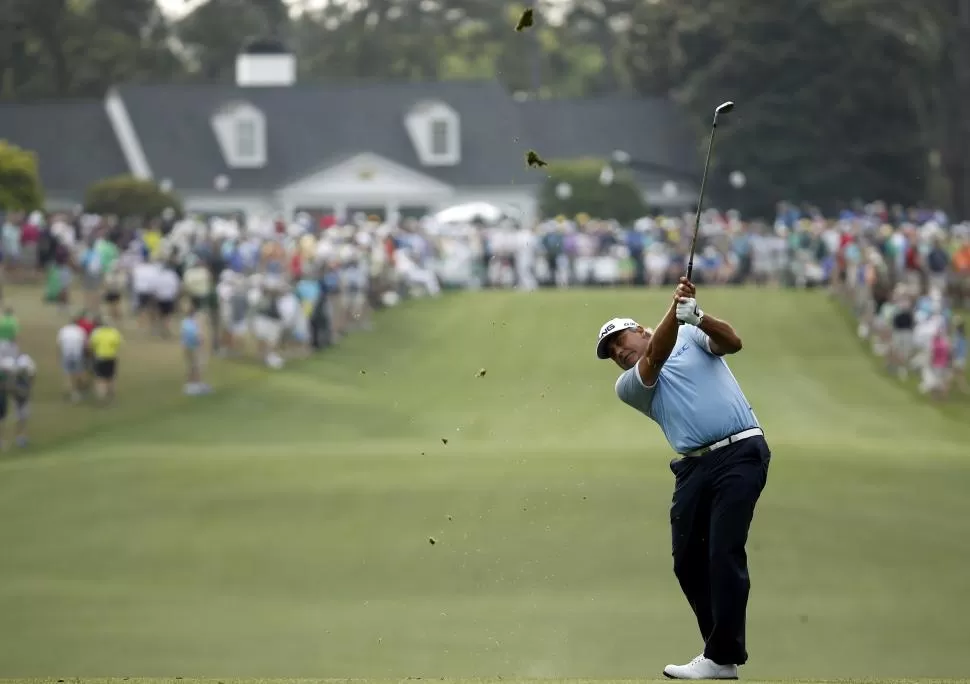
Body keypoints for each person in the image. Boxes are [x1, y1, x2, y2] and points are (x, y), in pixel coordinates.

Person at [596, 277, 770, 680]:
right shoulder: (629, 384)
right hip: (693, 466)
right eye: (613, 352)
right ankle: (720, 658)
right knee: (687, 561)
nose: (620, 352)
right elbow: (655, 356)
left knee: (723, 551)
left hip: (741, 451)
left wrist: (699, 317)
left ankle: (720, 654)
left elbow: (734, 343)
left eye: (622, 340)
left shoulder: (690, 334)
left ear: (640, 329)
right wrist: (677, 309)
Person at [87, 317, 123, 403]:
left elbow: (91, 345)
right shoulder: (114, 333)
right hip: (111, 357)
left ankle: (101, 398)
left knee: (100, 379)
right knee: (110, 377)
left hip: (100, 358)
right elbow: (117, 344)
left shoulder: (96, 333)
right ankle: (111, 397)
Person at [180, 302, 211, 395]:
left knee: (191, 366)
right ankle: (196, 385)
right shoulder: (195, 322)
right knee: (197, 366)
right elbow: (199, 336)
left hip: (187, 346)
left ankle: (191, 384)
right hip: (194, 346)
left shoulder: (185, 322)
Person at [56, 316, 87, 402]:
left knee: (68, 374)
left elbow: (59, 343)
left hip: (66, 354)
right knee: (78, 372)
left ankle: (70, 391)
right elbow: (85, 343)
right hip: (77, 354)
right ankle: (77, 391)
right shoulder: (80, 330)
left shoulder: (63, 330)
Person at [11, 353, 35, 447]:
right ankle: (19, 437)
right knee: (19, 418)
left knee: (23, 418)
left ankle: (23, 437)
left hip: (24, 399)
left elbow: (30, 385)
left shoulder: (26, 376)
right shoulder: (16, 376)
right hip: (18, 399)